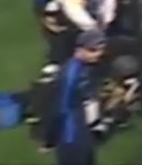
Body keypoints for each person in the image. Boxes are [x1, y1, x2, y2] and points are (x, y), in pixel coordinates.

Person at [36, 0, 125, 74]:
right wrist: (93, 28)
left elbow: (106, 3)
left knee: (86, 26)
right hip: (49, 0)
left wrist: (105, 24)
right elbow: (72, 8)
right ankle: (56, 63)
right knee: (61, 30)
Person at [37, 28, 106, 165]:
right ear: (79, 50)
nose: (98, 54)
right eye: (93, 50)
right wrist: (50, 140)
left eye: (100, 50)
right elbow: (61, 110)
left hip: (82, 134)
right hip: (71, 138)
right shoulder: (71, 74)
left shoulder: (84, 67)